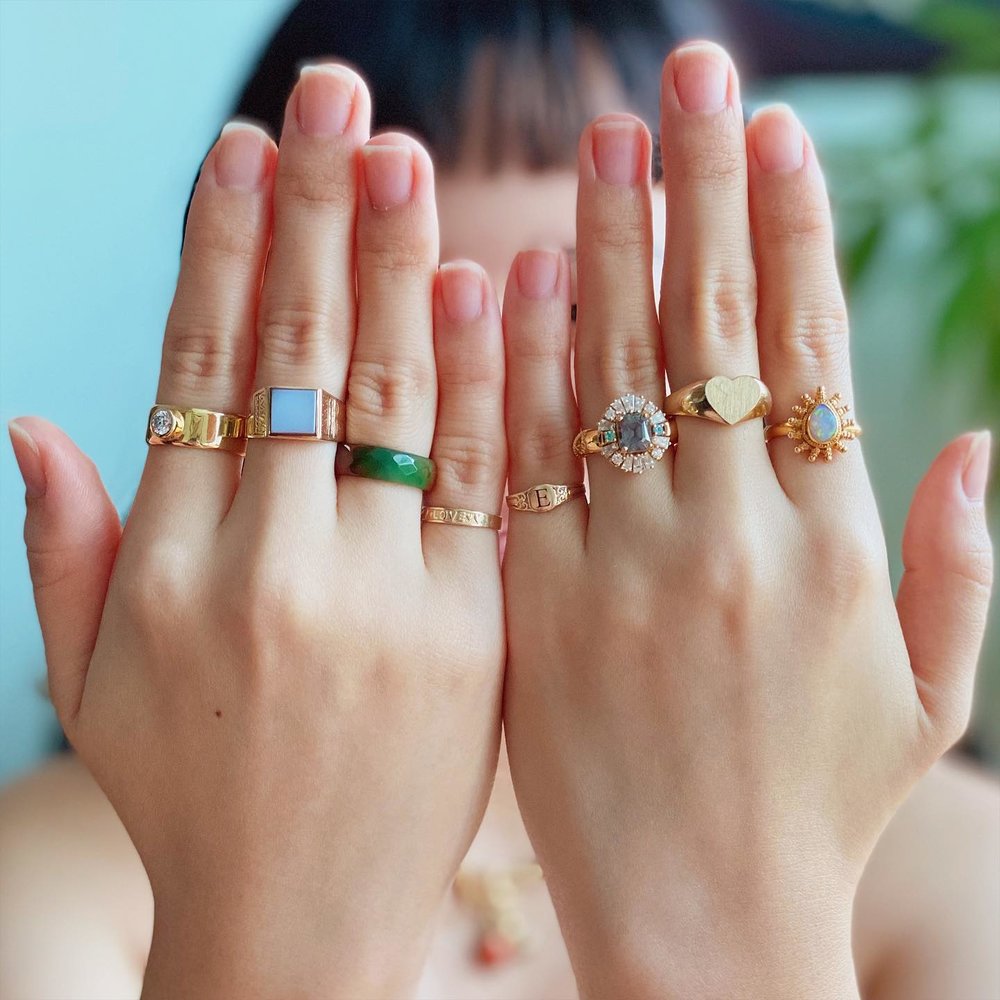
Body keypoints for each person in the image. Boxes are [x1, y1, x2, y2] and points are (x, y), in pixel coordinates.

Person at [1, 2, 997, 997]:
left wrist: (732, 906)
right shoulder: (50, 878)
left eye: (571, 314)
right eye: (402, 332)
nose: (488, 417)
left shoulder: (956, 868)